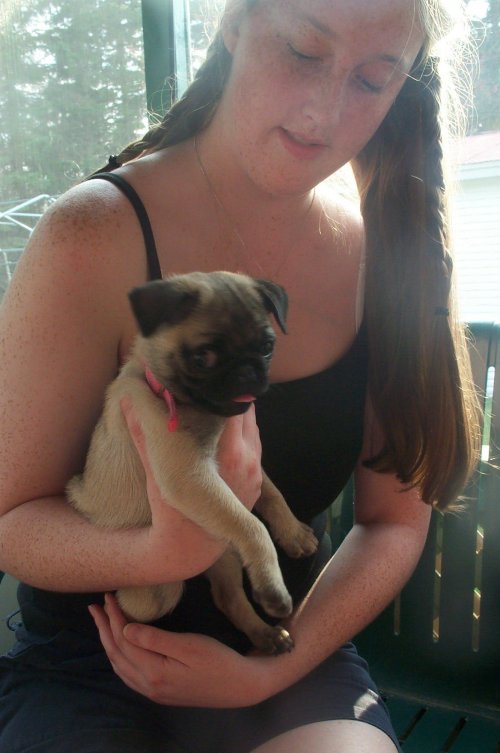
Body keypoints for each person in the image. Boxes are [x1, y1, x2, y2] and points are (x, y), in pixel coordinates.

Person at [0, 0, 480, 751]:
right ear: (233, 20)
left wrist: (266, 671)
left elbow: (394, 522)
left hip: (290, 650)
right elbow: (10, 518)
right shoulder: (91, 233)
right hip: (94, 656)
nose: (324, 112)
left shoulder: (382, 259)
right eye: (302, 51)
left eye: (372, 80)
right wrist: (161, 554)